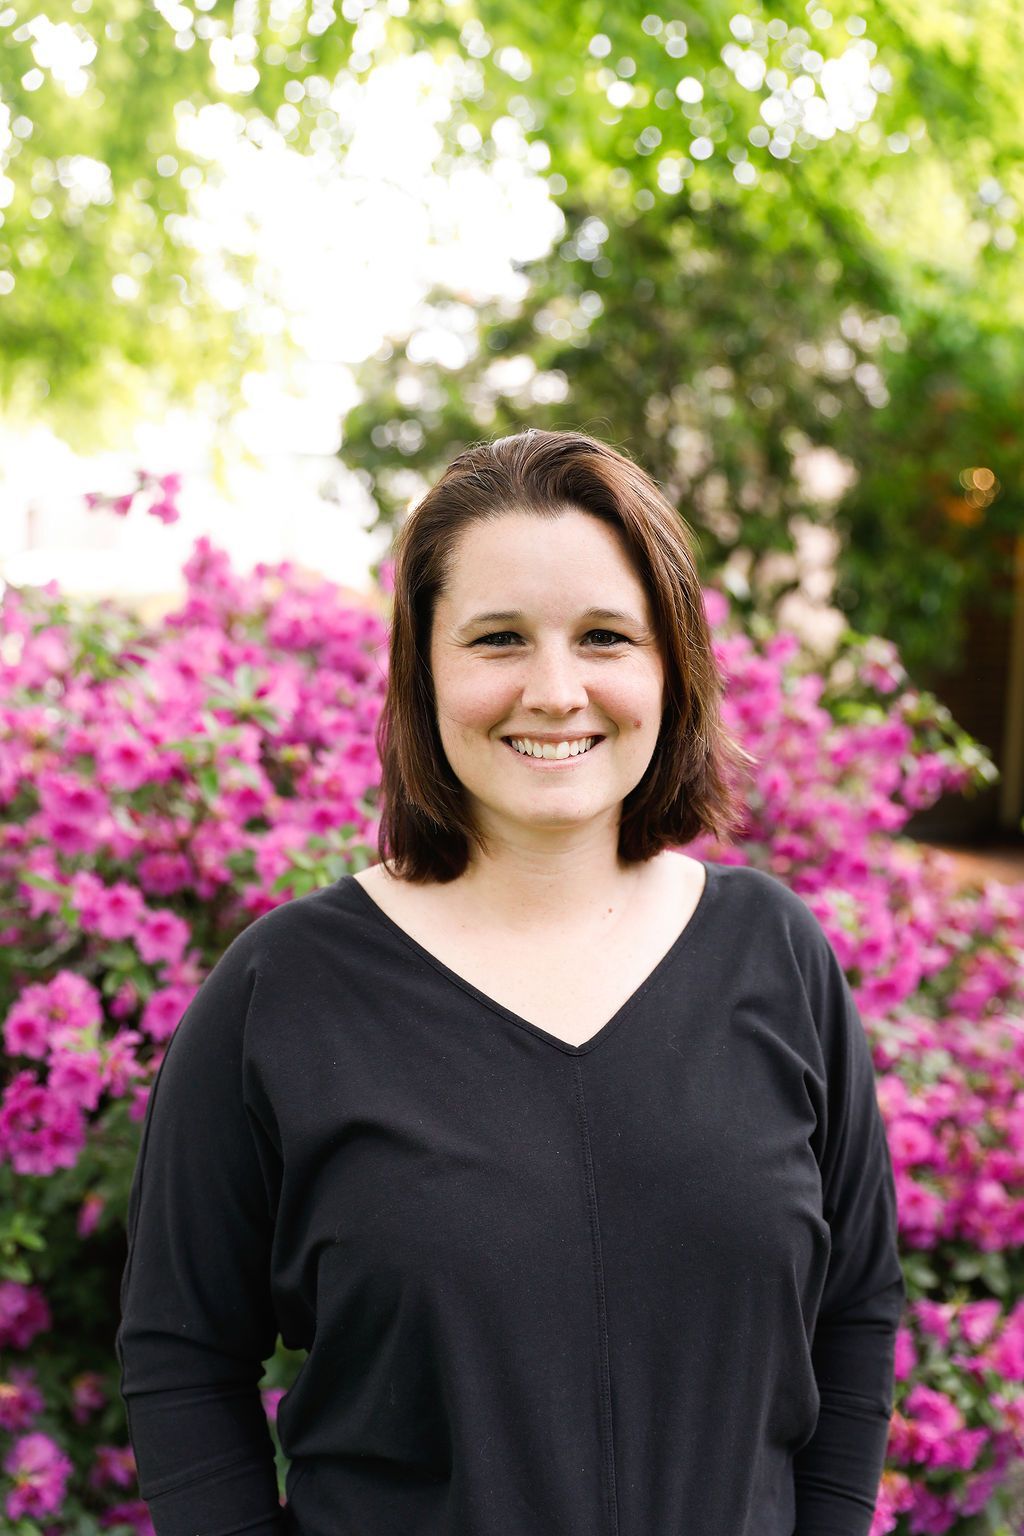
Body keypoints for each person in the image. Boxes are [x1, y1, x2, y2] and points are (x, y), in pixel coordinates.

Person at [116, 427, 905, 1536]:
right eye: (496, 639)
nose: (553, 689)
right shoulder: (284, 991)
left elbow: (855, 1310)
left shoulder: (775, 957)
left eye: (603, 637)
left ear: (669, 664)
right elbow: (181, 1353)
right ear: (424, 667)